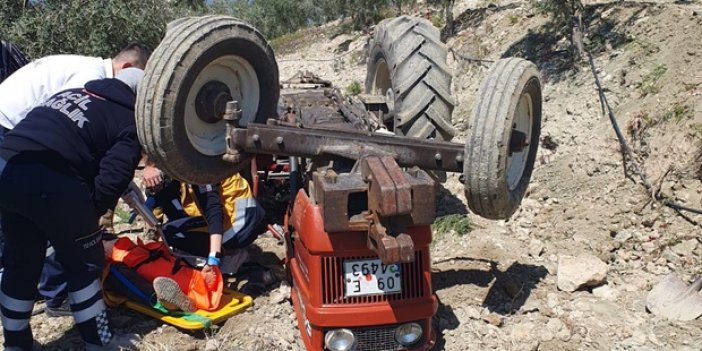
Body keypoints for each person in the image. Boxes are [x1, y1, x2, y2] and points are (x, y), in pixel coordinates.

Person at [0, 43, 150, 318]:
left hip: (11, 150)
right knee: (82, 257)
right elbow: (101, 171)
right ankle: (68, 305)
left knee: (21, 250)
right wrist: (81, 225)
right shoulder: (96, 85)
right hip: (20, 139)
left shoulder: (86, 78)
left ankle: (19, 331)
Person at [148, 173, 266, 276]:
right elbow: (175, 187)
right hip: (244, 213)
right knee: (170, 229)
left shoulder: (200, 172)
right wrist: (152, 201)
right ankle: (225, 250)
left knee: (172, 235)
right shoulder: (199, 158)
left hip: (240, 224)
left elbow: (213, 211)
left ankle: (230, 256)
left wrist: (214, 255)